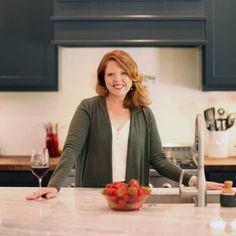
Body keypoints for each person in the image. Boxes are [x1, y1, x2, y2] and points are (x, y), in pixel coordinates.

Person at [26, 50, 224, 200]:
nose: (117, 80)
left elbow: (158, 159)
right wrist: (54, 185)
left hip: (133, 200)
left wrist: (194, 180)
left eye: (124, 73)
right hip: (94, 199)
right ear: (103, 79)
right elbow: (71, 150)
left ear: (133, 78)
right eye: (110, 74)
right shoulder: (88, 108)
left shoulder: (145, 114)